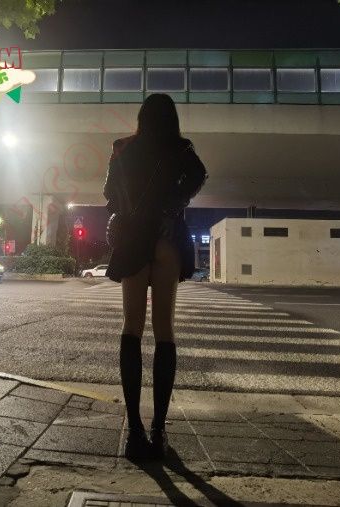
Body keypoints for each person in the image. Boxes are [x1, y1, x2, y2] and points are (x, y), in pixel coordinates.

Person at [103, 93, 207, 460]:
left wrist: (123, 212)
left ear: (141, 118)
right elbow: (199, 177)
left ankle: (134, 432)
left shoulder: (122, 148)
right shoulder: (181, 148)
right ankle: (159, 431)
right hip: (166, 240)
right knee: (165, 330)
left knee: (131, 327)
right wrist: (172, 206)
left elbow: (108, 192)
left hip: (134, 240)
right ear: (172, 119)